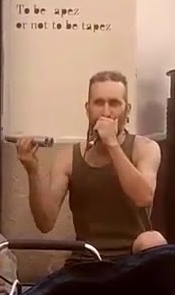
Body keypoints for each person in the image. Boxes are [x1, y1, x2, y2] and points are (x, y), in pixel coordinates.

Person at [15, 70, 167, 260]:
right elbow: (45, 222)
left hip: (132, 259)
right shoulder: (68, 158)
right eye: (98, 103)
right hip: (87, 259)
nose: (106, 112)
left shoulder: (145, 148)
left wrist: (112, 144)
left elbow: (144, 198)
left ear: (126, 110)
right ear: (87, 109)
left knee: (153, 240)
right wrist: (32, 170)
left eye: (114, 104)